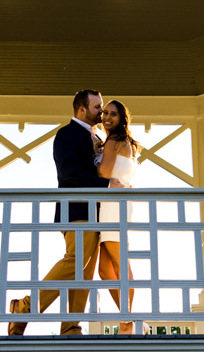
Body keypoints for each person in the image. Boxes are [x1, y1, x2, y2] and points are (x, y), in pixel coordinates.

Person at [8, 89, 121, 335]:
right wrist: (106, 185)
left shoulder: (97, 136)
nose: (101, 112)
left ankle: (70, 327)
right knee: (75, 262)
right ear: (82, 109)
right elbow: (69, 171)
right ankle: (24, 307)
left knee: (85, 272)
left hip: (98, 212)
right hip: (76, 209)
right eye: (97, 107)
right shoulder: (67, 134)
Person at [95, 99, 141, 334]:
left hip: (114, 204)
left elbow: (103, 171)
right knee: (104, 269)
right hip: (114, 203)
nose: (107, 117)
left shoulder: (114, 139)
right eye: (104, 113)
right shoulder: (121, 141)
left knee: (119, 262)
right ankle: (129, 316)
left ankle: (127, 320)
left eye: (113, 114)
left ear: (122, 118)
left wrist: (92, 160)